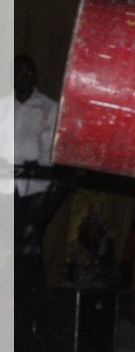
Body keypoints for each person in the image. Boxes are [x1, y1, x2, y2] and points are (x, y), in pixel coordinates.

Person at [14, 55, 59, 258]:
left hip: (35, 186)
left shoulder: (49, 107)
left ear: (35, 76)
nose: (23, 76)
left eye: (28, 72)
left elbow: (49, 148)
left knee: (28, 241)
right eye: (18, 72)